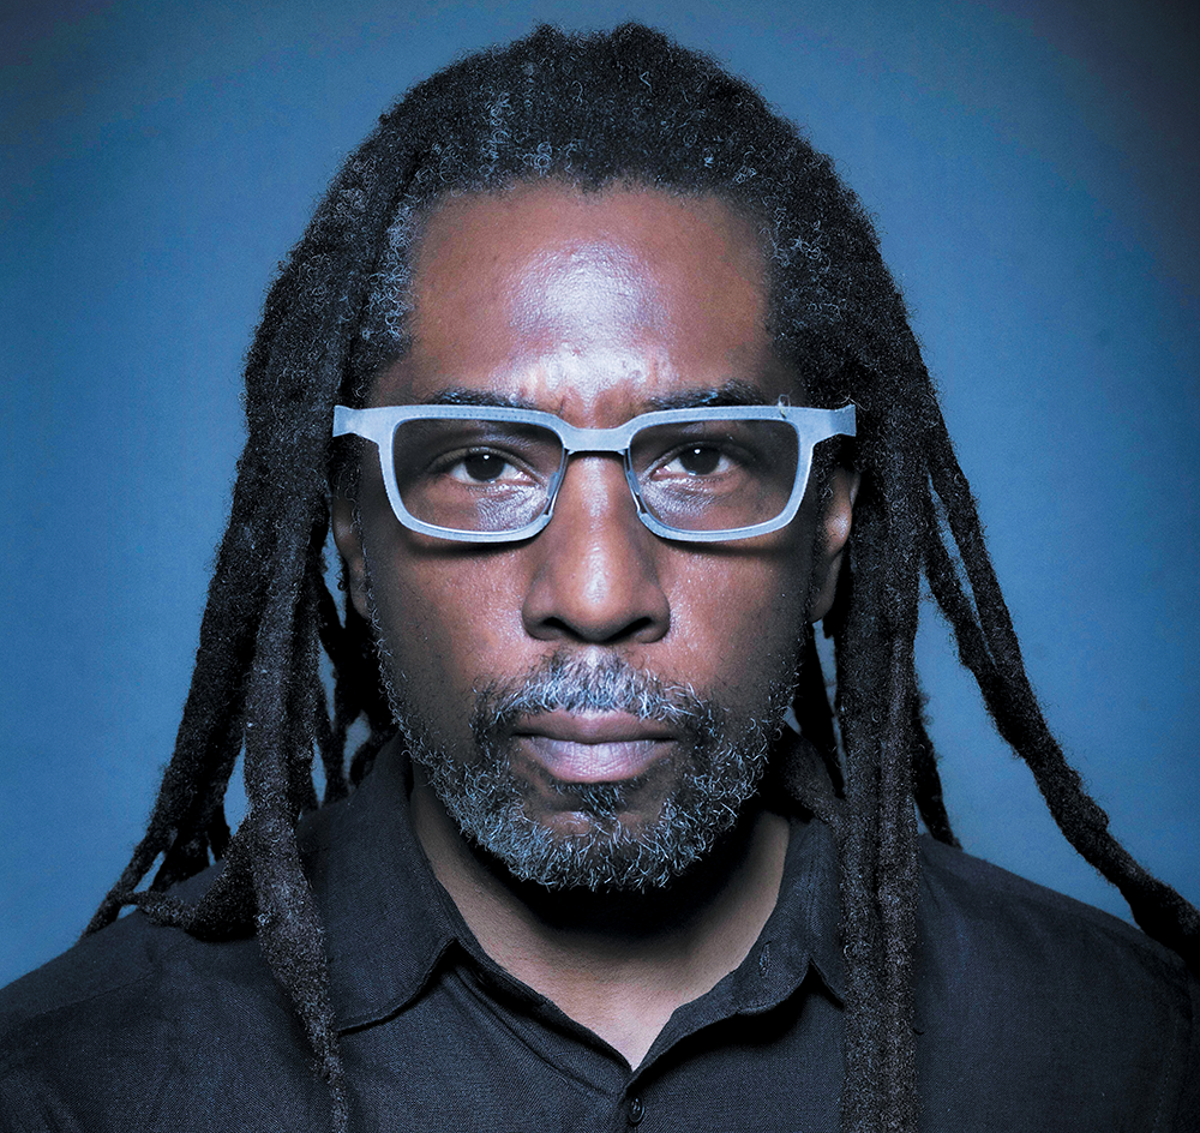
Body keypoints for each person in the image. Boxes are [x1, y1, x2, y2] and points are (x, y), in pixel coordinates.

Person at [1, 23, 1196, 1133]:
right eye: (483, 462)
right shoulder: (73, 1086)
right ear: (353, 530)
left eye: (700, 458)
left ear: (831, 521)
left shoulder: (1129, 1053)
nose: (595, 591)